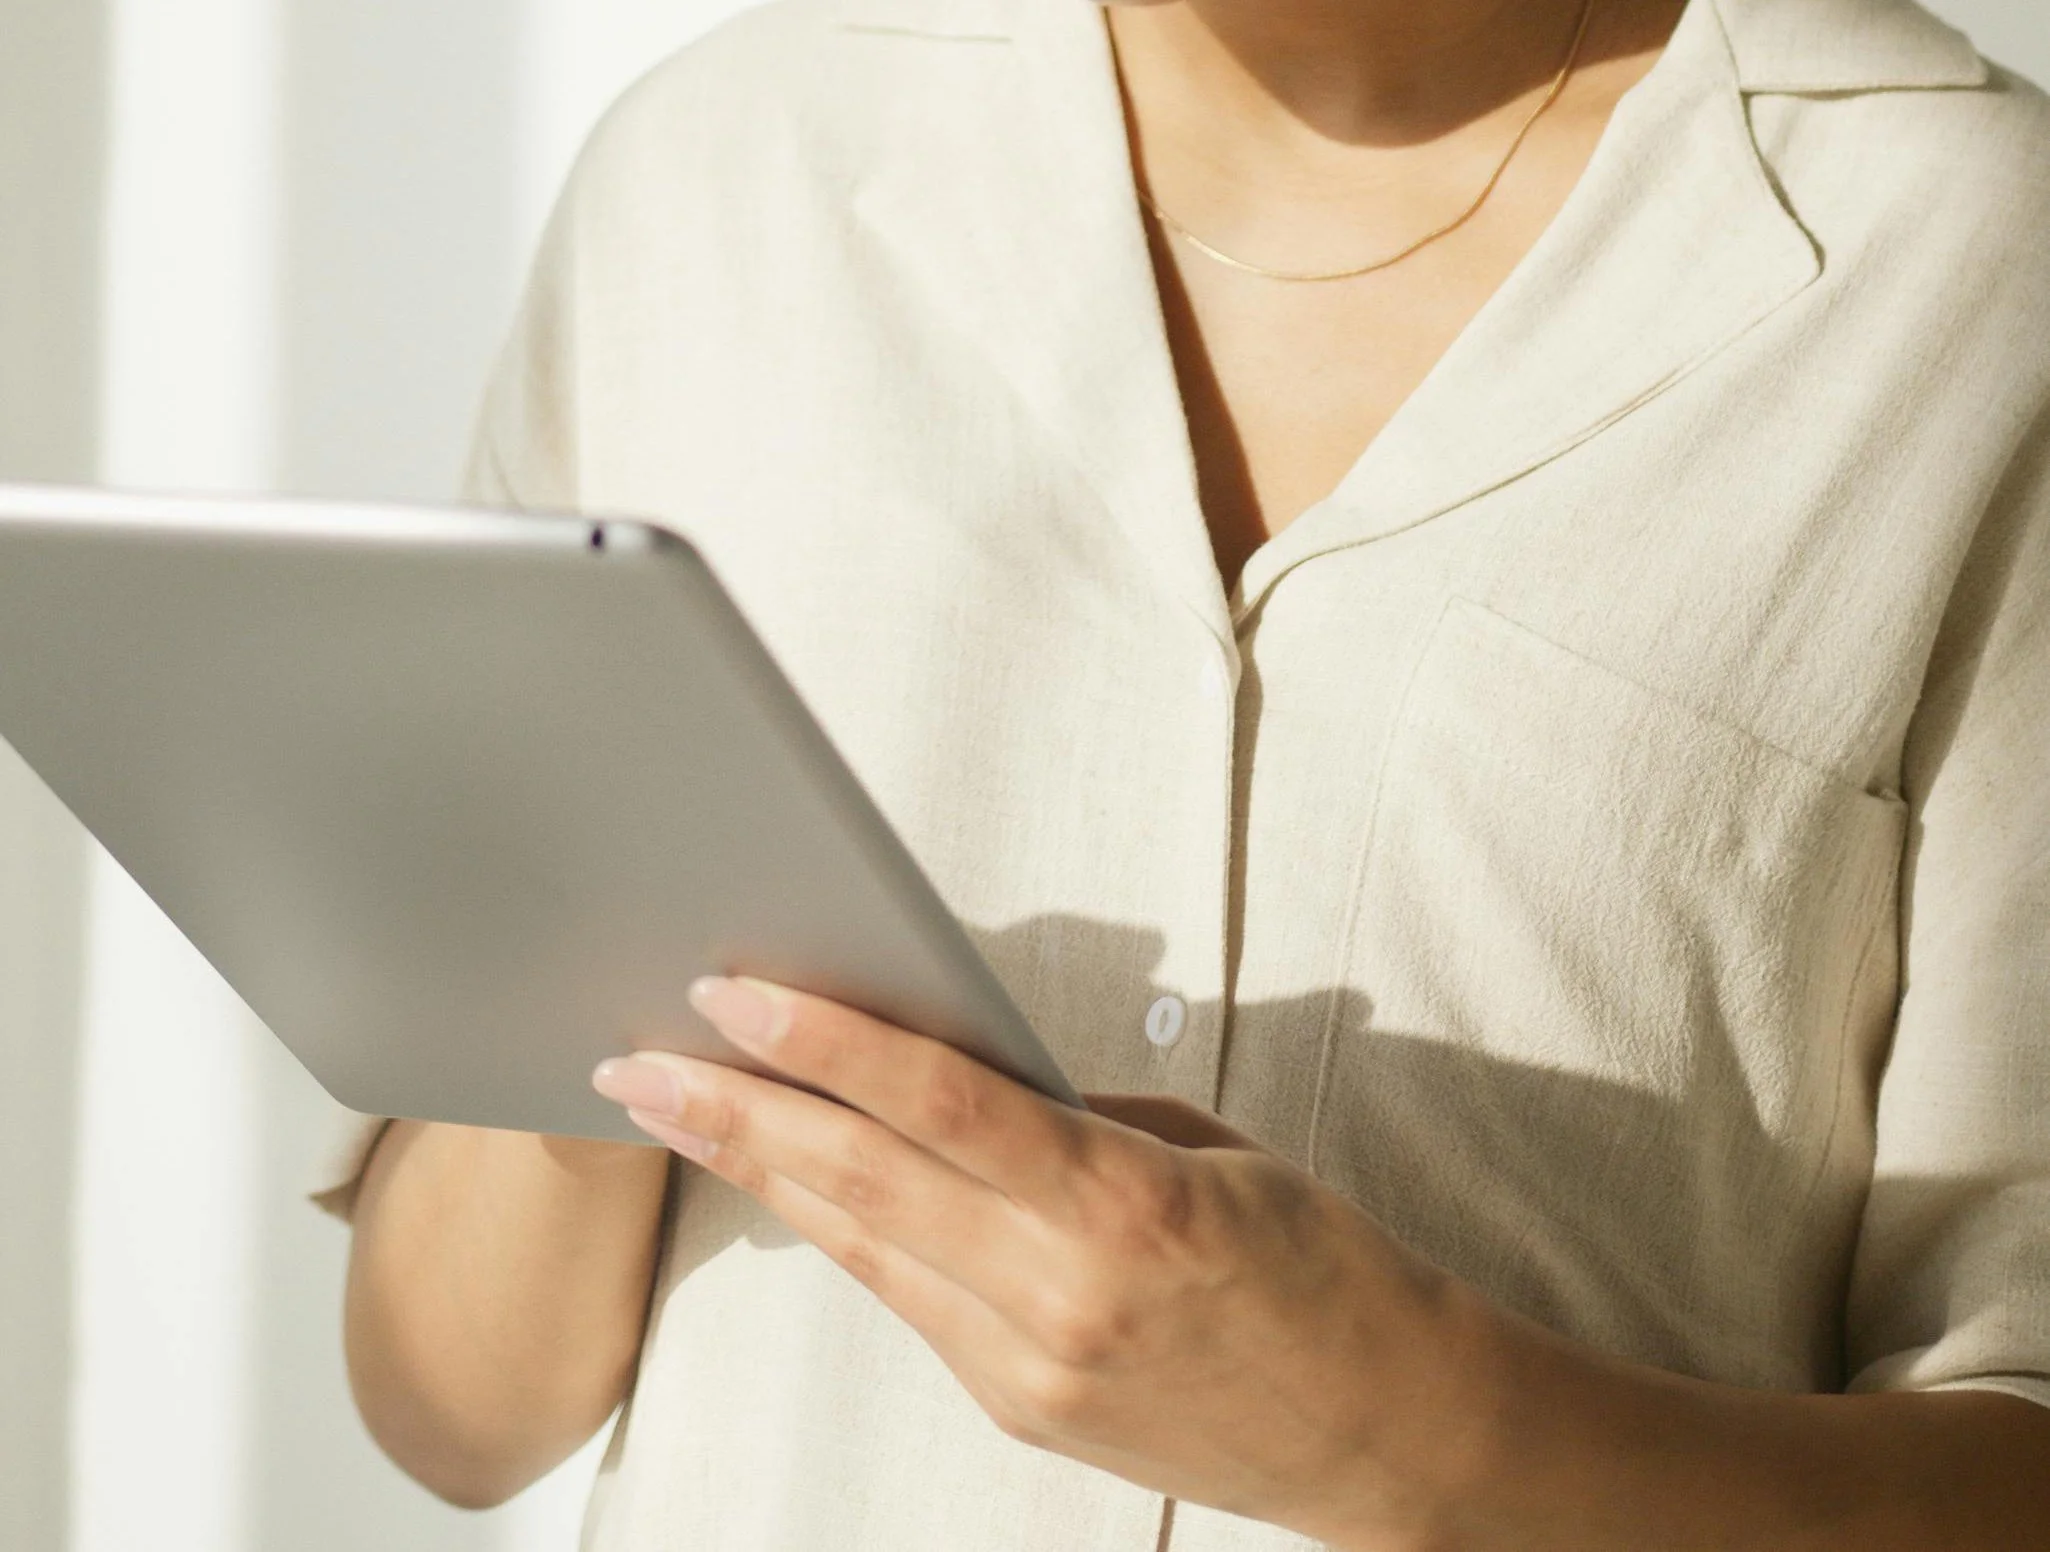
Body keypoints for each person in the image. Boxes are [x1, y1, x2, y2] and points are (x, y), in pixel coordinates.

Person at [318, 0, 2050, 1546]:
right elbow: (447, 1411)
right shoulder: (713, 180)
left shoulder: (1975, 267)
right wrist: (621, 1019)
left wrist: (1418, 1435)